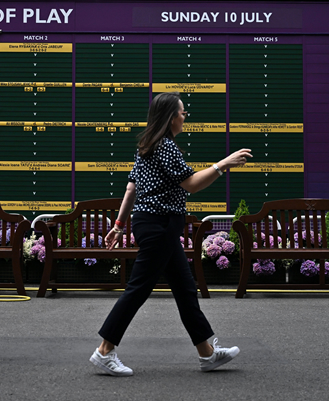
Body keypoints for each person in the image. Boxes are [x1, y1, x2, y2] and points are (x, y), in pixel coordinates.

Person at [89, 92, 252, 376]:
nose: (184, 117)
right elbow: (190, 184)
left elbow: (131, 189)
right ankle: (104, 351)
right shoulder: (165, 146)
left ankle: (207, 353)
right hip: (159, 225)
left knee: (185, 289)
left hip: (154, 224)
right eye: (182, 112)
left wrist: (118, 226)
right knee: (139, 288)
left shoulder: (146, 146)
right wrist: (222, 164)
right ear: (170, 117)